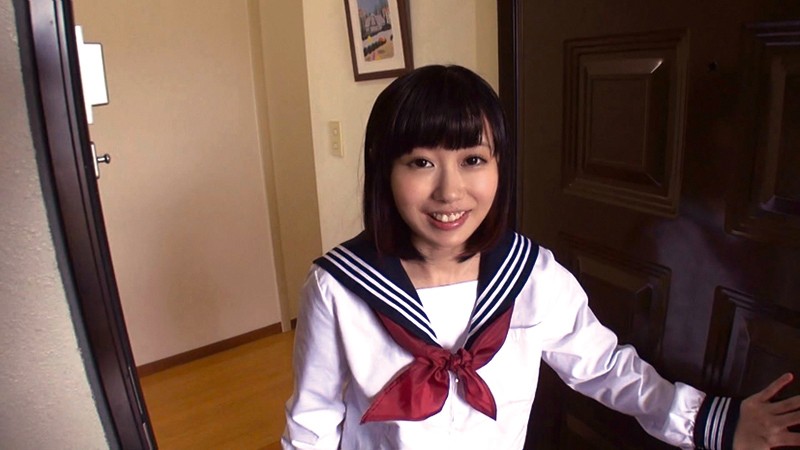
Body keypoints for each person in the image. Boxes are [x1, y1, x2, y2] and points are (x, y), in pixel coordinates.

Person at [282, 64, 800, 449]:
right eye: (421, 162)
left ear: (500, 166)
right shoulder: (339, 288)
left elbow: (604, 367)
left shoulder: (530, 276)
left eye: (473, 159)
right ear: (384, 170)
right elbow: (313, 420)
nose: (450, 190)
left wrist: (711, 423)